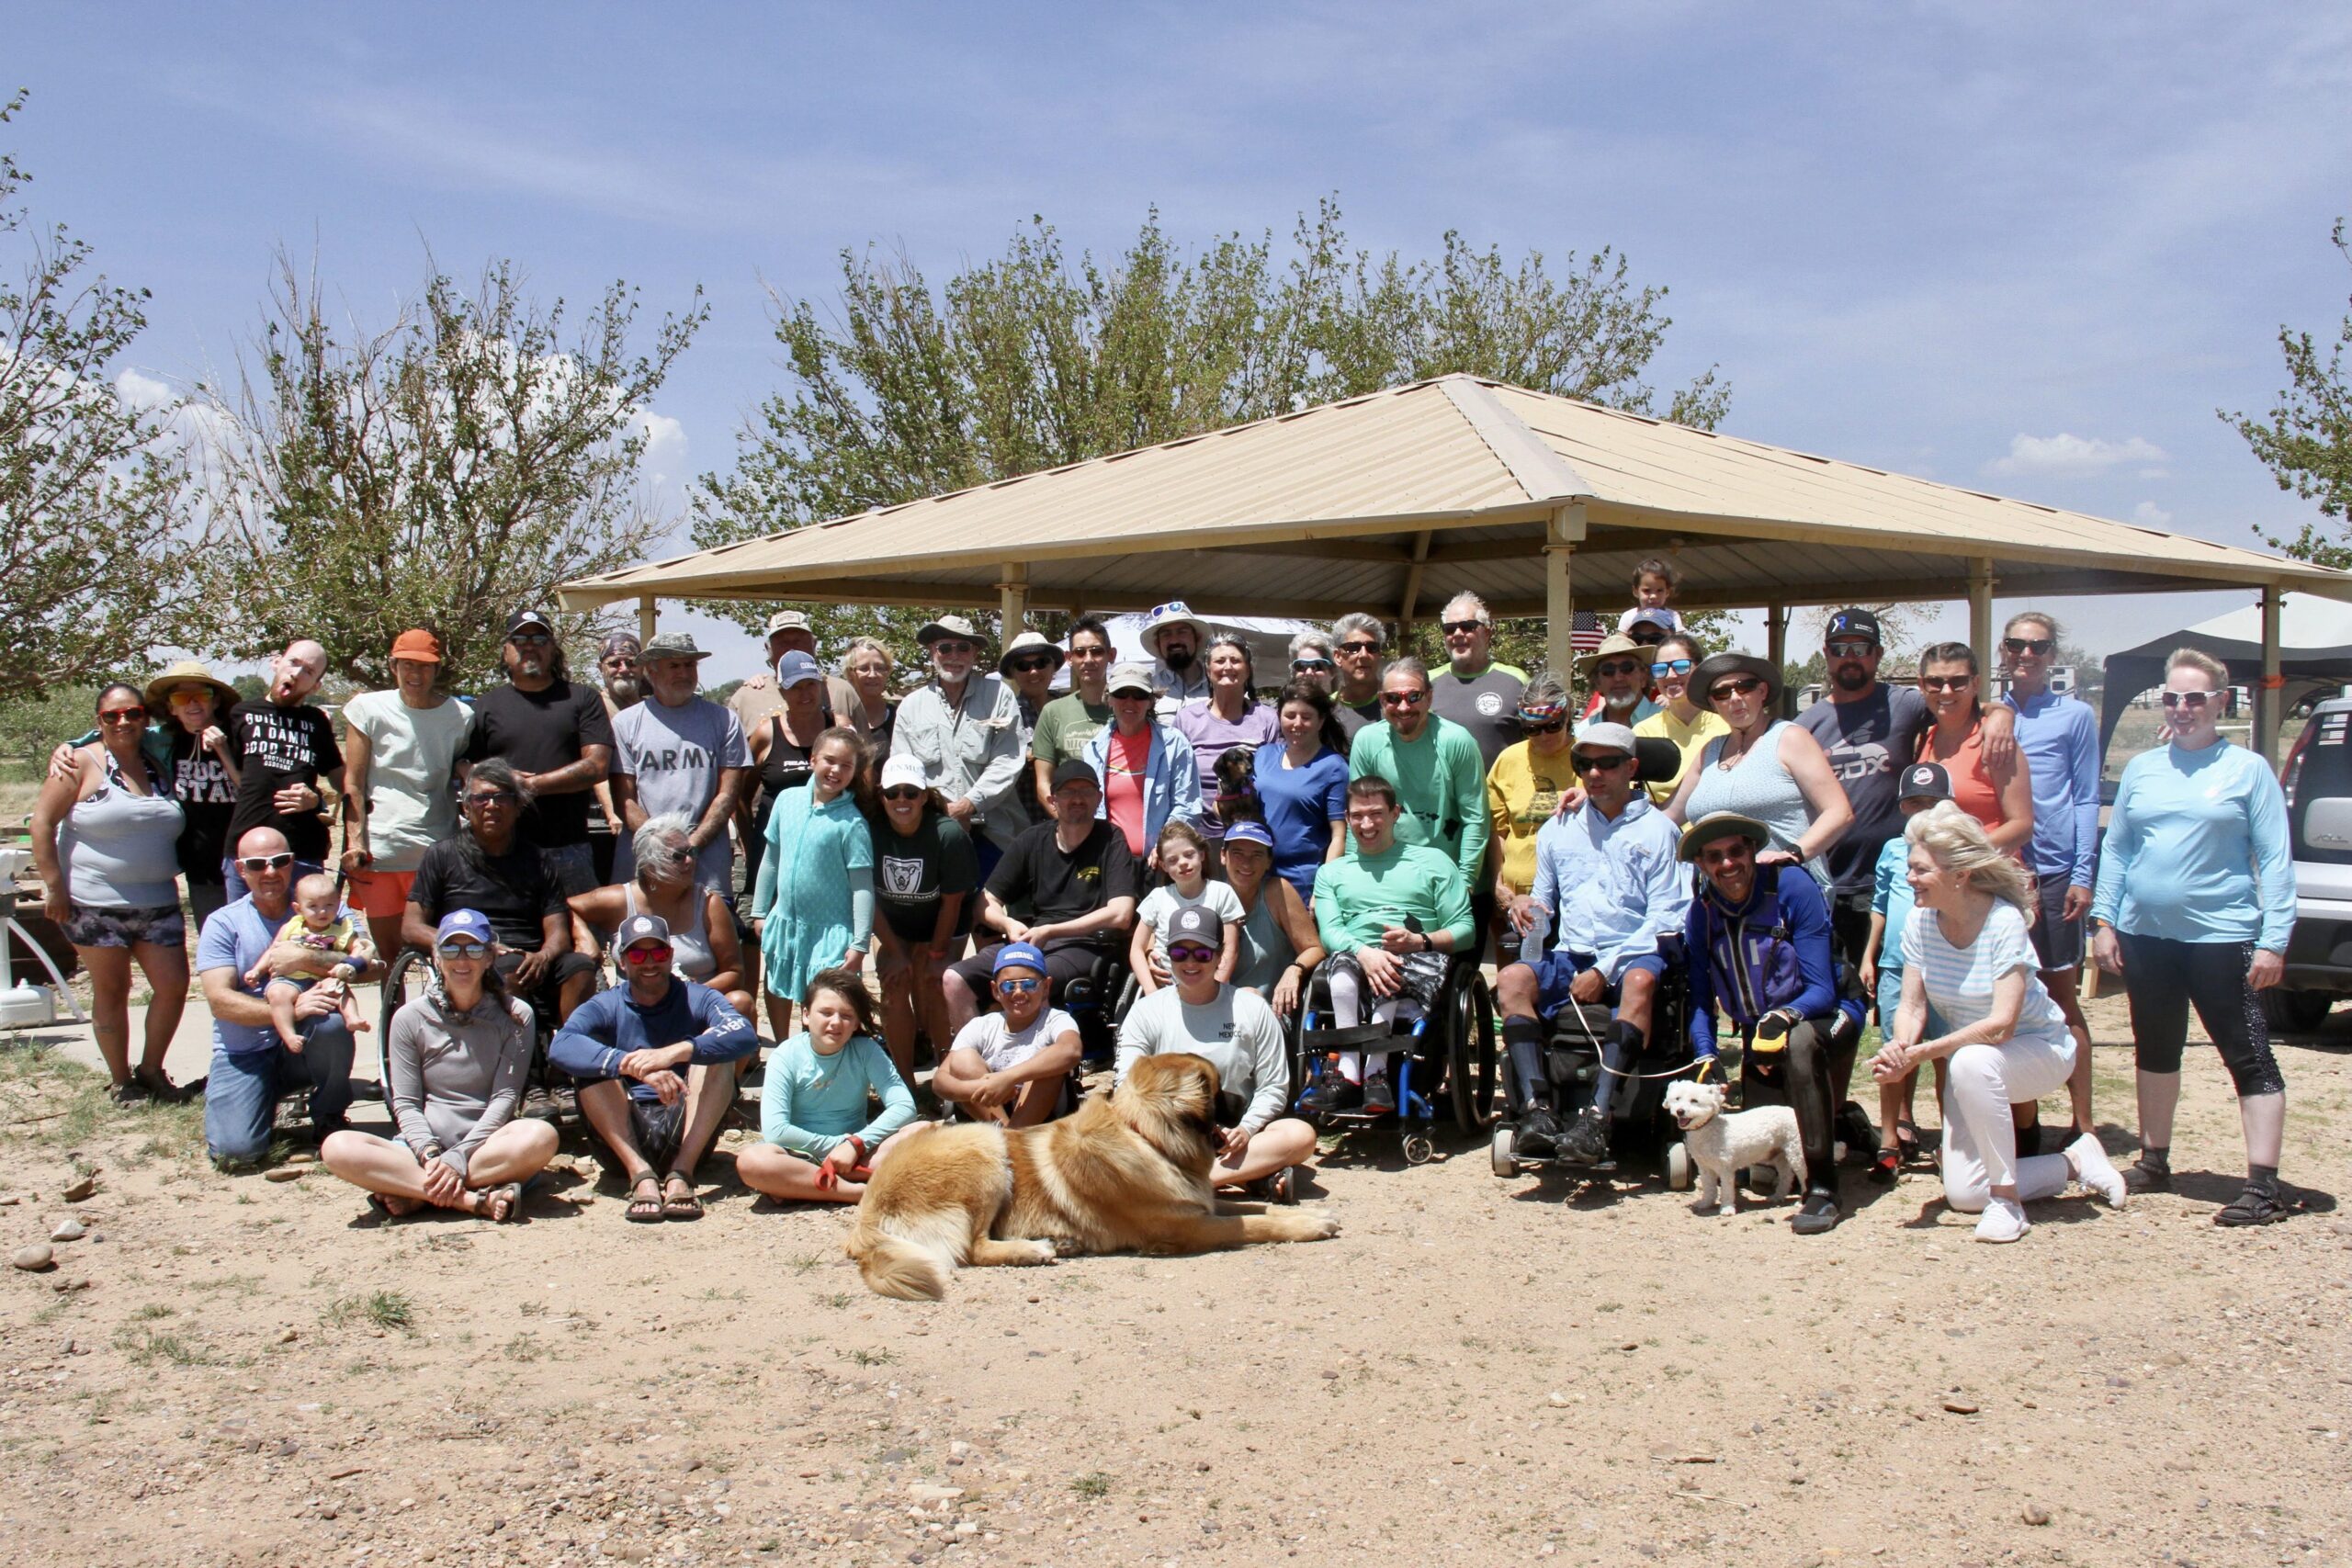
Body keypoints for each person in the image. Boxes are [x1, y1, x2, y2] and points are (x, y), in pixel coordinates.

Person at [2091, 648, 2297, 1226]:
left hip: (2222, 937)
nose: (2183, 709)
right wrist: (2105, 920)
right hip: (2146, 936)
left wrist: (2273, 939)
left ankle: (2263, 1184)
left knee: (2248, 1053)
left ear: (2220, 702)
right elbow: (2119, 848)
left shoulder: (2248, 770)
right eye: (2173, 698)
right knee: (2156, 1047)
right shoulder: (2143, 768)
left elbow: (2275, 861)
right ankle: (2155, 1160)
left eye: (2196, 698)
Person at [1870, 806, 2128, 1242]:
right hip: (1977, 1064)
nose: (1909, 877)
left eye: (1919, 869)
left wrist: (1919, 1053)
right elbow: (1912, 1009)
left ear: (1959, 874)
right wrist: (1899, 1048)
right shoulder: (1919, 921)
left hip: (2039, 1050)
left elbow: (2002, 1026)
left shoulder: (2004, 921)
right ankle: (2077, 1162)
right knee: (1965, 1193)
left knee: (1968, 1061)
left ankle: (2008, 1204)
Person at [1492, 720, 1690, 1163]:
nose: (1595, 774)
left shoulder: (1659, 831)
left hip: (1635, 951)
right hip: (1571, 950)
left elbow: (1666, 917)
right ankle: (1536, 1109)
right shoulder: (1559, 828)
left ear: (1631, 767)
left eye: (1608, 764)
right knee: (1512, 979)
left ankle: (1598, 1118)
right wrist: (1528, 904)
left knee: (1638, 980)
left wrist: (1605, 970)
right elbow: (1546, 898)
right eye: (1585, 764)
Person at [1797, 607, 2014, 977]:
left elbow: (1961, 706)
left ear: (1877, 655)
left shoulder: (1906, 704)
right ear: (1826, 654)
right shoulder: (1805, 725)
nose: (1850, 657)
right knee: (1834, 989)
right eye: (1840, 648)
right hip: (1830, 880)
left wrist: (2001, 716)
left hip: (1899, 877)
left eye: (1861, 648)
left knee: (1898, 984)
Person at [319, 908, 558, 1222]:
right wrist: (430, 1154)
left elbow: (505, 1098)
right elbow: (406, 1102)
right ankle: (470, 1200)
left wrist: (460, 1155)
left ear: (490, 957)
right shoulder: (409, 1017)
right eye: (450, 948)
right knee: (337, 1147)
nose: (462, 960)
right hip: (420, 1149)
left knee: (542, 1136)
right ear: (436, 956)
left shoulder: (516, 1015)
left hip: (486, 1148)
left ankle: (417, 1192)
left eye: (473, 949)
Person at [1679, 812, 1847, 1235]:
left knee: (1802, 1046)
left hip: (1825, 1013)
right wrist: (1706, 1053)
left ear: (1752, 851)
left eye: (1736, 851)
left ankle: (1824, 1190)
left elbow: (1823, 989)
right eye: (1714, 857)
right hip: (1762, 1032)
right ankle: (1850, 1127)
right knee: (1763, 1169)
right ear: (1701, 864)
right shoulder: (1701, 914)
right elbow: (1700, 999)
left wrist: (1784, 1016)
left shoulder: (1792, 887)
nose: (1727, 864)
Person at [32, 682, 190, 1102]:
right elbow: (42, 824)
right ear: (98, 722)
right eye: (111, 716)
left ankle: (152, 1070)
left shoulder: (159, 761)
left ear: (145, 718)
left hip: (158, 901)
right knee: (112, 991)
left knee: (174, 986)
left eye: (132, 713)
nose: (123, 722)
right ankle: (122, 1082)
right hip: (93, 902)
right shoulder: (79, 764)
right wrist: (54, 887)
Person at [549, 912, 760, 1221]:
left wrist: (676, 1052)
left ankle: (681, 1174)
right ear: (622, 961)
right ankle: (641, 1177)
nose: (649, 962)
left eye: (658, 952)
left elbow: (742, 1033)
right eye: (637, 953)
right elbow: (563, 1045)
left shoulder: (698, 997)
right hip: (624, 1134)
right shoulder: (605, 1004)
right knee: (590, 1067)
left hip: (686, 1129)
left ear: (671, 955)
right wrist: (630, 1065)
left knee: (717, 1056)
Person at [1296, 777, 1474, 1116]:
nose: (1366, 824)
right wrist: (1365, 953)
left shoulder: (1433, 862)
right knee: (1343, 968)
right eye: (1357, 816)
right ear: (1347, 819)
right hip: (1355, 957)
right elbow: (1331, 930)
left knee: (1390, 966)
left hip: (1419, 957)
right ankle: (1350, 1074)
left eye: (1376, 813)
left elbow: (1465, 930)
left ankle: (1375, 1072)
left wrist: (1420, 941)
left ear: (1395, 813)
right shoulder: (1332, 873)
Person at [198, 827, 374, 1165]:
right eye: (256, 864)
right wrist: (293, 1010)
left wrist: (307, 959)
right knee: (236, 1154)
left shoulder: (325, 907)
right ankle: (257, 1098)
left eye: (279, 861)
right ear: (240, 870)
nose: (270, 871)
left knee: (334, 1023)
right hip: (244, 1051)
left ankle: (329, 1114)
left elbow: (374, 964)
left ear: (292, 863)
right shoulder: (224, 923)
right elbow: (219, 1001)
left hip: (303, 1047)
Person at [1117, 905, 1317, 1196]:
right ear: (1166, 955)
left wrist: (1247, 1128)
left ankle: (1178, 1184)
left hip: (1233, 1136)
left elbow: (1273, 1086)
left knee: (1300, 1135)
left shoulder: (1251, 1009)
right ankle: (1246, 1176)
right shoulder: (1146, 1012)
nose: (1190, 962)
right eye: (1179, 953)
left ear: (1220, 955)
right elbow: (1127, 1084)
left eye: (1202, 953)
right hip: (1166, 1132)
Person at [2000, 611, 2101, 1139]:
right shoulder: (1990, 714)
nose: (2026, 654)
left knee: (2062, 997)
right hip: (2000, 874)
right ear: (2002, 650)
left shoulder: (2075, 716)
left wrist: (2084, 874)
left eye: (2037, 646)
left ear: (2053, 654)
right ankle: (2025, 1125)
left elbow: (2086, 796)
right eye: (2017, 644)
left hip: (2055, 871)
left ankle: (2083, 1125)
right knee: (2010, 1000)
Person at [943, 761, 1141, 1031]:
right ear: (1052, 799)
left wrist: (1051, 931)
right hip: (1033, 940)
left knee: (1028, 980)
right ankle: (973, 1061)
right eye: (1068, 792)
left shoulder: (1111, 838)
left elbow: (1121, 913)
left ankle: (1035, 1065)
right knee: (954, 978)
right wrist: (1008, 924)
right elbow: (985, 902)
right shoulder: (1031, 839)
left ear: (1099, 798)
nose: (1077, 799)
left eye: (1086, 791)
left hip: (1084, 944)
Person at [405, 761, 599, 1033]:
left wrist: (544, 956)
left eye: (502, 797)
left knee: (579, 968)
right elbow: (411, 928)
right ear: (466, 807)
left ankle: (565, 1060)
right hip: (472, 956)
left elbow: (558, 932)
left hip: (533, 957)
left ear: (518, 807)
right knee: (507, 972)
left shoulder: (539, 860)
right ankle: (519, 1062)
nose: (492, 805)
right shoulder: (442, 856)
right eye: (481, 798)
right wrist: (476, 945)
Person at [735, 968, 922, 1203]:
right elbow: (776, 1131)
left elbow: (905, 1107)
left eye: (846, 1016)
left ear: (856, 1023)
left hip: (858, 1154)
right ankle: (860, 1192)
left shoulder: (866, 1050)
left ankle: (804, 1187)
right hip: (799, 1156)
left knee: (923, 1131)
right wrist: (838, 1147)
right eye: (826, 1013)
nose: (836, 1022)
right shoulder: (785, 1055)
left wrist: (857, 1144)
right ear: (805, 1015)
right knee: (752, 1161)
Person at [341, 629, 473, 957]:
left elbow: (463, 772)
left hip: (436, 853)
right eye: (408, 665)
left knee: (444, 953)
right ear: (393, 666)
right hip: (381, 853)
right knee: (390, 958)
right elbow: (353, 783)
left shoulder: (461, 716)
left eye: (425, 666)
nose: (416, 674)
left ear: (437, 669)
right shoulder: (366, 709)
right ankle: (391, 1011)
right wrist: (356, 842)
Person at [464, 608, 614, 897]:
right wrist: (495, 783)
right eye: (519, 639)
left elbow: (596, 766)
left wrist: (529, 786)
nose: (529, 646)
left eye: (540, 639)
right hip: (501, 850)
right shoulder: (486, 705)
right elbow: (465, 765)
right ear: (506, 651)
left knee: (581, 941)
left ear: (554, 650)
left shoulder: (583, 698)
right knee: (509, 939)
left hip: (569, 849)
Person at [1671, 652, 1852, 886]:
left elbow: (1839, 812)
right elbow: (1671, 815)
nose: (1735, 698)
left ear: (1762, 691)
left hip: (1786, 893)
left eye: (1744, 687)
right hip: (1721, 903)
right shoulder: (1709, 751)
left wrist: (1793, 854)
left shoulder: (1790, 738)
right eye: (1722, 693)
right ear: (1713, 703)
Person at [1349, 656, 1491, 943]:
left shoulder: (1456, 741)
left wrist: (1464, 883)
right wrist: (1353, 874)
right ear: (1381, 700)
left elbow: (1476, 817)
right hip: (1391, 880)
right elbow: (1358, 815)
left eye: (1413, 696)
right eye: (1393, 698)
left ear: (1429, 697)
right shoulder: (1367, 741)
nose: (1403, 707)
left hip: (1450, 880)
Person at [1860, 762, 1957, 1179]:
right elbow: (1880, 905)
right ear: (1902, 807)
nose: (1923, 812)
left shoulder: (1955, 850)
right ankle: (1891, 1136)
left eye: (1933, 803)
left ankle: (1955, 1139)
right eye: (1915, 803)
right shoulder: (1892, 850)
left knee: (1945, 1055)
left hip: (1944, 963)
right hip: (1897, 964)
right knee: (1895, 1051)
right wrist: (1869, 954)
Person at [750, 727, 874, 1042]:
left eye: (846, 766)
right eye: (830, 761)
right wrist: (760, 911)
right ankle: (783, 1049)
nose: (836, 770)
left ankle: (822, 1060)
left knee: (826, 1001)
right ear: (813, 758)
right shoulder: (786, 801)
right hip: (786, 919)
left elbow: (862, 887)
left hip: (830, 930)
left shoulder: (852, 823)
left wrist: (859, 943)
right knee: (777, 984)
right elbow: (771, 859)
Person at [568, 814, 752, 1021]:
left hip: (692, 1009)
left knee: (740, 1002)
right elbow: (564, 907)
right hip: (635, 1012)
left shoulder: (709, 904)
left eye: (691, 852)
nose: (690, 860)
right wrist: (582, 936)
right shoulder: (619, 900)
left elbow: (735, 972)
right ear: (649, 865)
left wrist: (686, 993)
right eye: (678, 856)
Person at [609, 631, 750, 896]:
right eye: (674, 666)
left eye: (690, 665)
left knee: (710, 934)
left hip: (706, 865)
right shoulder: (625, 723)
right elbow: (624, 801)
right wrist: (662, 847)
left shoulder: (725, 721)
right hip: (644, 861)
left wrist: (692, 844)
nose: (684, 673)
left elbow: (727, 795)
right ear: (651, 671)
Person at [866, 754, 978, 1084]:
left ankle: (947, 1077)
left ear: (925, 796)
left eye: (911, 793)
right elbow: (867, 900)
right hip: (893, 924)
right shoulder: (870, 832)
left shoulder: (948, 835)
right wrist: (896, 952)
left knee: (933, 983)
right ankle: (904, 1084)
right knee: (894, 983)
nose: (902, 800)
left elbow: (953, 903)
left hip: (941, 922)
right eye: (893, 793)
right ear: (881, 795)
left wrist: (935, 954)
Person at [890, 614, 1027, 879]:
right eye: (945, 647)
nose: (954, 655)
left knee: (992, 914)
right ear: (933, 652)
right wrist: (943, 813)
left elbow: (1008, 759)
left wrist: (968, 805)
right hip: (931, 830)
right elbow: (903, 773)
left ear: (974, 653)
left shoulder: (999, 695)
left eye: (963, 647)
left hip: (994, 833)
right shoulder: (910, 706)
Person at [222, 638, 344, 896]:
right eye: (294, 663)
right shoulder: (240, 713)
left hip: (301, 851)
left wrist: (317, 801)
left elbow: (343, 780)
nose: (297, 673)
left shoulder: (317, 722)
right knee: (244, 931)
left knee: (306, 933)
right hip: (246, 849)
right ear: (276, 663)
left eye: (308, 671)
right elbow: (231, 777)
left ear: (316, 685)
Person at [933, 942, 1082, 1126]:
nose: (1018, 993)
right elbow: (940, 1080)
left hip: (1045, 1117)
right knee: (962, 1059)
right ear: (996, 990)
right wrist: (981, 1088)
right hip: (993, 1116)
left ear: (1045, 987)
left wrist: (1007, 1078)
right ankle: (1008, 1137)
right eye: (1008, 987)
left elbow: (1071, 1050)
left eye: (1029, 985)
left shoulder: (1056, 1019)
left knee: (1050, 1058)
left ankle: (1014, 1137)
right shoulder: (982, 1026)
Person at [1487, 675, 1578, 964]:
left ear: (1567, 717)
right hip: (1517, 896)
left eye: (1553, 726)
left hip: (1572, 894)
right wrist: (1497, 884)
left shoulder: (1588, 756)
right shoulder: (1509, 760)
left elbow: (1623, 798)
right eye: (1533, 729)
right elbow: (1497, 830)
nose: (1544, 736)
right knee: (1517, 977)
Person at [146, 660, 244, 926]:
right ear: (171, 707)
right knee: (214, 939)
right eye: (181, 697)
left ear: (215, 701)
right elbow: (115, 735)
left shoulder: (239, 735)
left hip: (243, 861)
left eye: (202, 695)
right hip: (200, 864)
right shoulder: (165, 739)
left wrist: (223, 751)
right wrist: (71, 746)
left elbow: (250, 792)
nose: (193, 703)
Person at [1913, 642, 2032, 855]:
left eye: (1958, 681)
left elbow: (2022, 826)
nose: (1946, 691)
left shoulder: (1996, 742)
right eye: (1935, 682)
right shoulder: (1922, 740)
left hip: (1988, 880)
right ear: (1922, 685)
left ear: (1975, 684)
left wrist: (1958, 855)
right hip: (1938, 882)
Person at [1082, 663, 1202, 863]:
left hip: (1160, 861)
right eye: (1121, 693)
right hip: (1108, 861)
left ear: (1151, 701)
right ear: (1109, 698)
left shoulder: (1175, 744)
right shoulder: (1093, 750)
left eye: (1139, 694)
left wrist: (1165, 846)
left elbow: (1187, 805)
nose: (1130, 701)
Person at [1173, 633, 1281, 851]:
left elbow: (1274, 777)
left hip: (1251, 836)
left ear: (1248, 670)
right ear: (1207, 670)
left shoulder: (1267, 718)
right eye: (1220, 661)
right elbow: (1175, 782)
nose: (1228, 666)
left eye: (1236, 660)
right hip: (1197, 838)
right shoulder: (1186, 719)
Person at [741, 648, 831, 894]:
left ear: (821, 686)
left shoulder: (839, 728)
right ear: (782, 691)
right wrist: (752, 843)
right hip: (776, 847)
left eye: (810, 684)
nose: (805, 693)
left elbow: (862, 788)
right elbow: (741, 796)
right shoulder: (765, 734)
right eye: (796, 687)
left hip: (827, 847)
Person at [254, 871, 377, 1049]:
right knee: (277, 995)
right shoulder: (292, 926)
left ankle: (352, 1017)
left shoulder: (341, 929)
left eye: (329, 905)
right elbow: (274, 950)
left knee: (340, 989)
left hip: (322, 978)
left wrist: (350, 962)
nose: (322, 911)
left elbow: (360, 947)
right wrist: (257, 970)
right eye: (313, 906)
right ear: (298, 908)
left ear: (338, 904)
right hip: (290, 978)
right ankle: (288, 1034)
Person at [1251, 682, 1350, 902]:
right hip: (1255, 877)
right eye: (1290, 715)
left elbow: (1339, 835)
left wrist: (1323, 890)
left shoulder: (1333, 767)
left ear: (1321, 721)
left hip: (1302, 883)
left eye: (1306, 717)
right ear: (1279, 716)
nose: (1297, 724)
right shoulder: (1263, 755)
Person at [1218, 819, 1326, 1015]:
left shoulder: (1278, 892)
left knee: (1250, 998)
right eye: (1237, 853)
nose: (1246, 863)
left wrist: (1295, 969)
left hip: (1269, 1014)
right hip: (1214, 1013)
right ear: (1223, 856)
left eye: (1257, 855)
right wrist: (1150, 955)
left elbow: (1314, 948)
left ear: (1269, 861)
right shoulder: (1208, 895)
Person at [1131, 819, 1244, 991]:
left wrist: (1214, 990)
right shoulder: (1157, 897)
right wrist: (1151, 992)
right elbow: (1137, 949)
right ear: (1163, 866)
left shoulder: (1222, 893)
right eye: (1173, 860)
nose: (1182, 863)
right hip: (1165, 990)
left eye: (1189, 855)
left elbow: (1230, 948)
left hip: (1211, 991)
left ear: (1202, 854)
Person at [727, 608, 869, 743]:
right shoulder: (745, 698)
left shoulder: (842, 691)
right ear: (768, 648)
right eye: (782, 642)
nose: (791, 647)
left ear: (814, 644)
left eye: (799, 640)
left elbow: (865, 755)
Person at [1428, 592, 1528, 769]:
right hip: (1442, 795)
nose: (1458, 634)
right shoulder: (1426, 682)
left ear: (1487, 632)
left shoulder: (1517, 681)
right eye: (1450, 629)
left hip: (1500, 795)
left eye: (1468, 626)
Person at [1633, 633, 1726, 807]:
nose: (1670, 675)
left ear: (1699, 669)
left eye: (1680, 666)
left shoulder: (1728, 728)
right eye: (1660, 668)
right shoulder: (1642, 732)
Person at [1029, 615, 1114, 807]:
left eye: (1097, 651)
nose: (1088, 659)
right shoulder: (1053, 712)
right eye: (1080, 652)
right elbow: (1043, 784)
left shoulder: (1128, 708)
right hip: (1072, 821)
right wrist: (1067, 823)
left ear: (1112, 655)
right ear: (1069, 658)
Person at [590, 633, 643, 886]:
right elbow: (599, 768)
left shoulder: (652, 706)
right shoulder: (594, 707)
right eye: (614, 663)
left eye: (631, 662)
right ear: (602, 668)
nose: (623, 669)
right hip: (611, 824)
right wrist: (613, 813)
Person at [1000, 630, 1064, 829]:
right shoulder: (1003, 714)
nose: (1034, 671)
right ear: (1013, 673)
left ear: (1054, 666)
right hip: (1022, 826)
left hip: (1070, 820)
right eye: (1023, 666)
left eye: (1041, 662)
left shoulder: (1069, 709)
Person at [1140, 599, 1213, 713]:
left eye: (1182, 632)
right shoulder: (1148, 689)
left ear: (1197, 638)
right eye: (1166, 634)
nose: (1174, 641)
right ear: (1157, 644)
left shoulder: (1219, 686)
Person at [1578, 634, 1660, 728]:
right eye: (1608, 670)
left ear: (1643, 677)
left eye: (1627, 668)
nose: (1618, 678)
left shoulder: (1669, 722)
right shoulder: (1584, 731)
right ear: (1598, 683)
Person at [1329, 613, 1388, 740]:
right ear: (1338, 657)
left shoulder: (1398, 703)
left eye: (1372, 648)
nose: (1363, 655)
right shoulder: (1326, 709)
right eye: (1353, 648)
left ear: (1379, 655)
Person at [838, 636, 899, 753]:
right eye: (864, 668)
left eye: (880, 668)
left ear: (888, 672)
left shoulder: (901, 718)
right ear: (850, 673)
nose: (872, 675)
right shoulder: (837, 719)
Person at [1615, 557, 1687, 637]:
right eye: (1647, 591)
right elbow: (1622, 641)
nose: (1653, 596)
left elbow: (1679, 641)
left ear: (1667, 592)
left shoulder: (1673, 616)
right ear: (1636, 591)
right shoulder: (1628, 616)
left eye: (1659, 590)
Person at [1286, 629, 1340, 697]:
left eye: (1317, 665)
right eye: (1301, 666)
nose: (1309, 672)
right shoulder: (1288, 706)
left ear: (1332, 671)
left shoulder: (1344, 706)